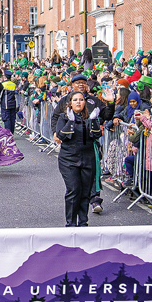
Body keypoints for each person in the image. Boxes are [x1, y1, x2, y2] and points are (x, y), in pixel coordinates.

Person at [56, 91, 103, 226]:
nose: (78, 102)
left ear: (84, 103)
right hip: (68, 159)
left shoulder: (90, 117)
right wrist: (70, 122)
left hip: (87, 158)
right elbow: (61, 136)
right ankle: (70, 224)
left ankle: (83, 223)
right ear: (70, 102)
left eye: (81, 100)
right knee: (74, 190)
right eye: (75, 100)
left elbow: (96, 135)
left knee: (85, 192)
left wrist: (94, 121)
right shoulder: (63, 117)